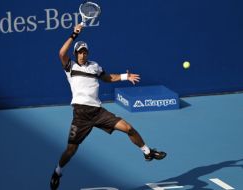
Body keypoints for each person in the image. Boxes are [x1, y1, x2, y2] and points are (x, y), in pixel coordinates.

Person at [50, 24, 166, 190]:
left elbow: (108, 78)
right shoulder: (70, 67)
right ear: (75, 54)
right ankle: (57, 171)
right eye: (79, 52)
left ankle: (148, 152)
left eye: (85, 52)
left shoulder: (95, 66)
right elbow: (61, 53)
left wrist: (126, 76)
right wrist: (74, 34)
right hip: (80, 115)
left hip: (98, 112)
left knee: (128, 128)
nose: (82, 54)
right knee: (71, 150)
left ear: (87, 53)